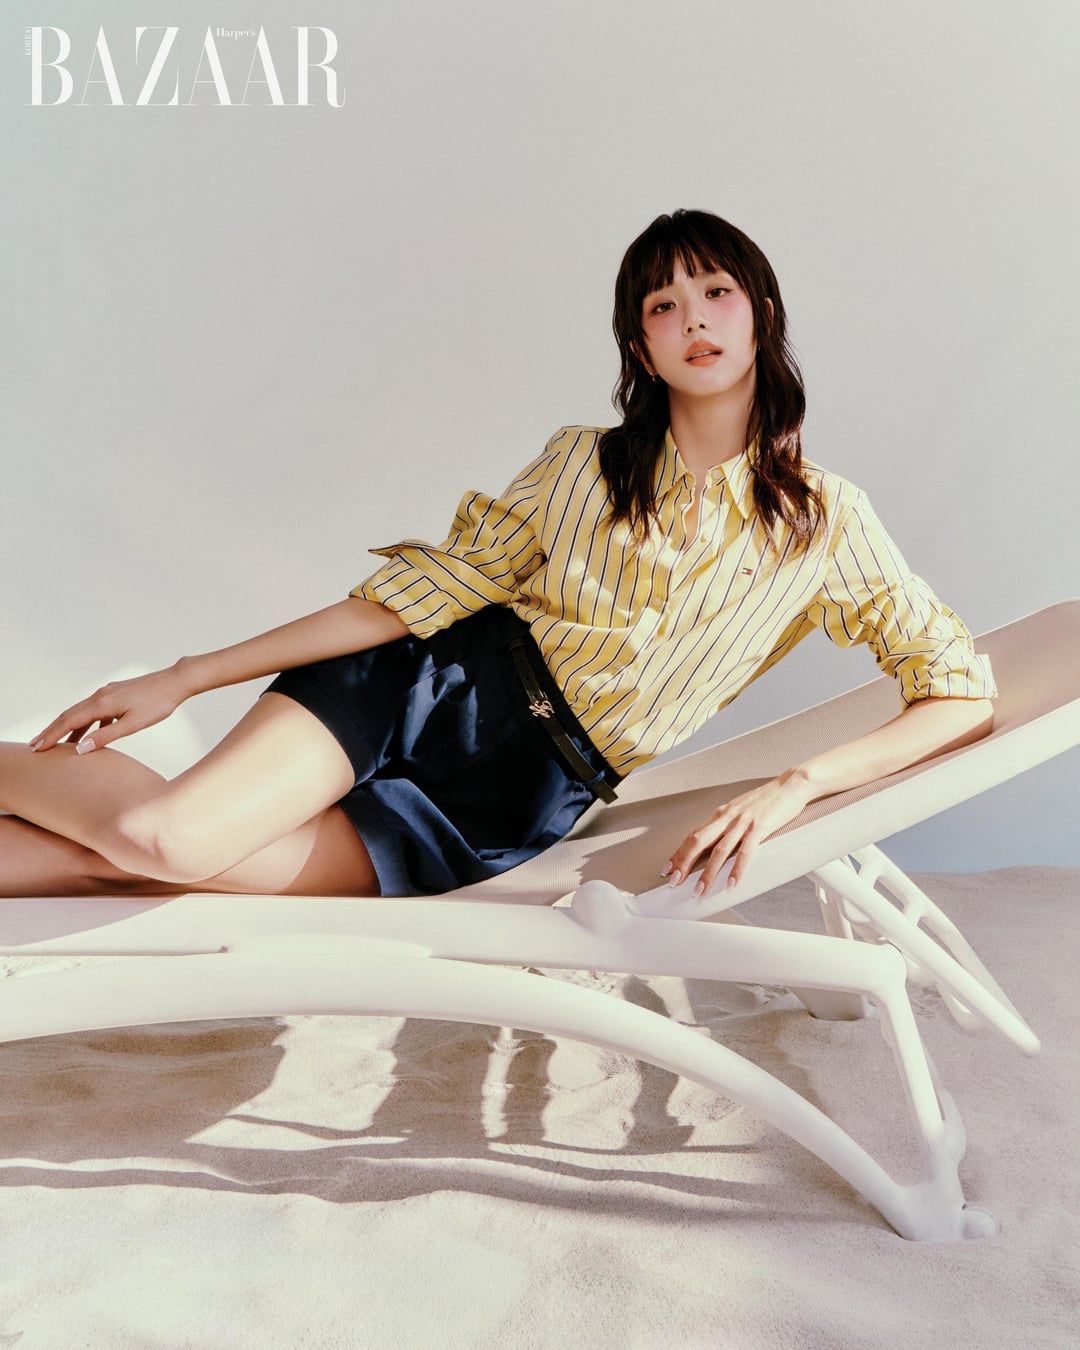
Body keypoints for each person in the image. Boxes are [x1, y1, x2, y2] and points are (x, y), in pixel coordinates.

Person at [0, 210, 996, 902]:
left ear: (762, 314)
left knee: (128, 866)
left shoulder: (825, 522)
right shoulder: (580, 465)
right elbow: (417, 596)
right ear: (640, 348)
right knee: (165, 840)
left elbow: (958, 691)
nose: (693, 317)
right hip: (417, 684)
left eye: (716, 291)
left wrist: (799, 784)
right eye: (662, 305)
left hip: (514, 796)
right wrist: (185, 676)